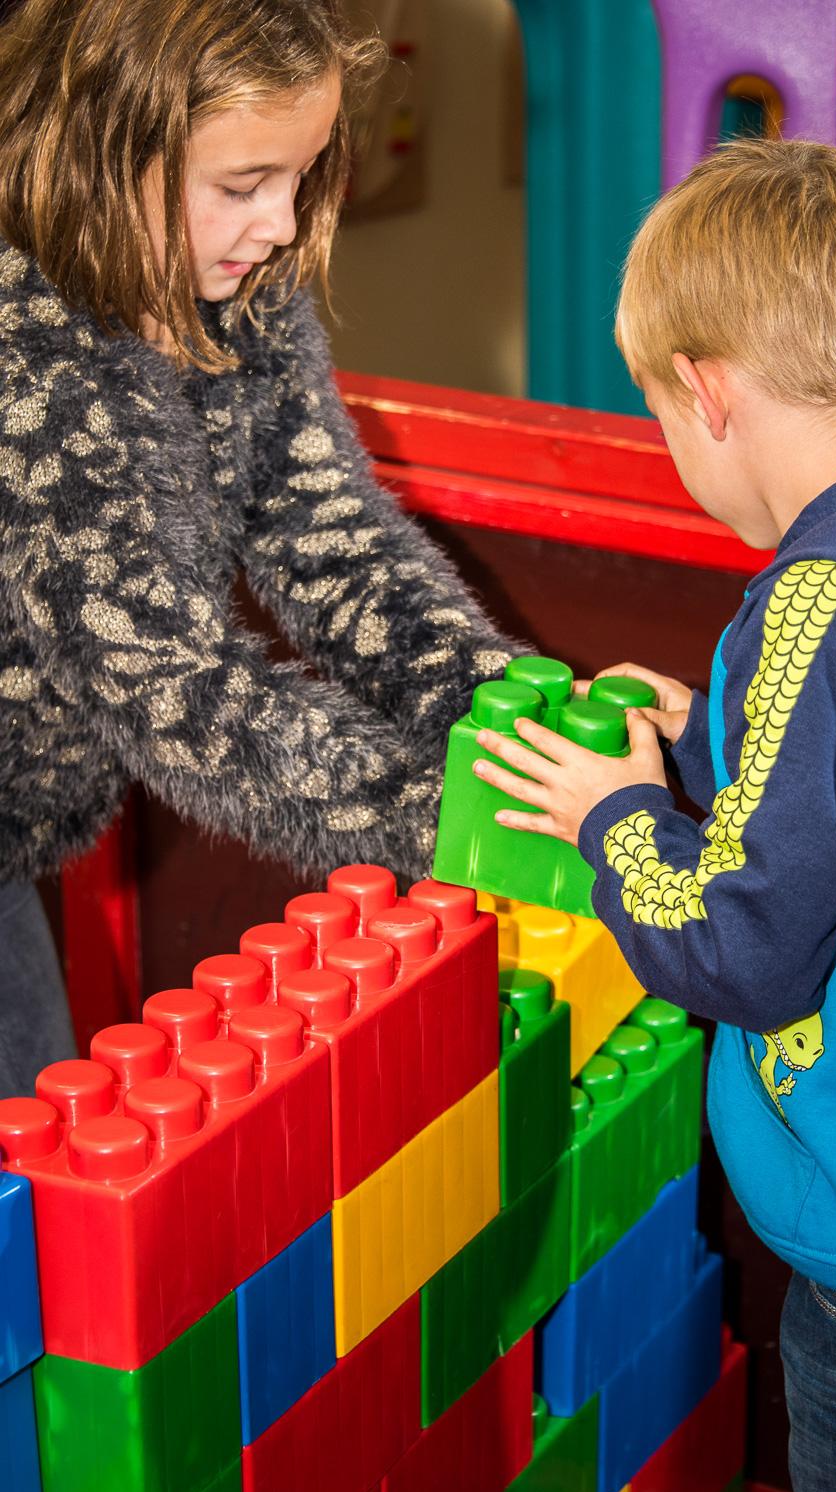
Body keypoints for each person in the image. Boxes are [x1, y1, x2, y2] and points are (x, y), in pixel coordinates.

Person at [473, 138, 836, 1492]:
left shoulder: (816, 606)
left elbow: (740, 951)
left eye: (657, 412)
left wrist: (618, 815)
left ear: (704, 391)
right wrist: (719, 733)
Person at [0, 0, 515, 1097]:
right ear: (102, 153)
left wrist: (506, 718)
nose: (280, 223)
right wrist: (460, 820)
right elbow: (163, 682)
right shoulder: (22, 351)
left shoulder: (238, 292)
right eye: (242, 185)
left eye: (302, 175)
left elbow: (336, 546)